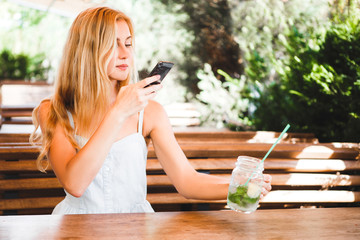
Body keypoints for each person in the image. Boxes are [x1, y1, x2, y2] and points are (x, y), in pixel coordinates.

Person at [30, 6, 272, 214]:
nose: (126, 54)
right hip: (76, 227)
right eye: (113, 45)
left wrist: (237, 188)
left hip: (136, 226)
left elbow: (187, 181)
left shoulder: (151, 113)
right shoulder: (53, 111)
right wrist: (118, 112)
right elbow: (75, 184)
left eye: (128, 43)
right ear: (88, 50)